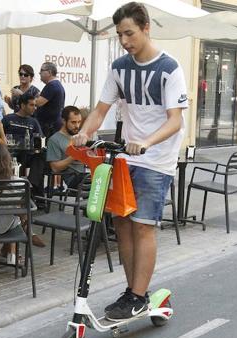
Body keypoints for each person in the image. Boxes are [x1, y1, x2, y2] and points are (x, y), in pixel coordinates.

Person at [73, 2, 188, 321]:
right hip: (127, 157)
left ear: (146, 28)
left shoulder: (169, 68)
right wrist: (84, 131)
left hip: (156, 159)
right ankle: (132, 293)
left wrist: (147, 142)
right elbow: (100, 110)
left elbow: (175, 121)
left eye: (130, 33)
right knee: (121, 224)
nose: (124, 40)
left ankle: (138, 294)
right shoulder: (119, 67)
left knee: (142, 226)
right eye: (120, 34)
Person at [2, 94, 46, 196]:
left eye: (35, 105)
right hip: (10, 154)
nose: (34, 108)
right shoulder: (8, 119)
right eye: (31, 105)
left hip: (27, 154)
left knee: (40, 156)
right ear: (22, 105)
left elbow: (40, 139)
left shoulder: (34, 122)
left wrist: (37, 146)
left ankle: (32, 186)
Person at [46, 105, 85, 189]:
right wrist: (74, 156)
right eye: (73, 122)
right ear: (64, 121)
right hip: (74, 178)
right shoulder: (54, 140)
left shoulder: (79, 137)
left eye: (79, 122)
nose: (77, 126)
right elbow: (55, 168)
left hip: (87, 174)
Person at [35, 62, 65, 138]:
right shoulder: (56, 85)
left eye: (42, 70)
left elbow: (37, 103)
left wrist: (22, 94)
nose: (39, 73)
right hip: (53, 126)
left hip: (50, 128)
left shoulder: (52, 86)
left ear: (49, 72)